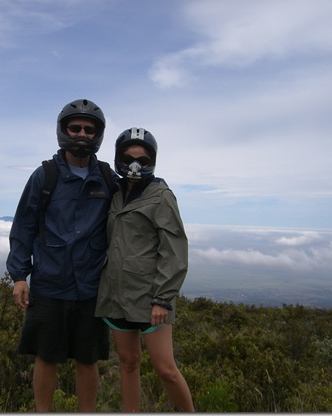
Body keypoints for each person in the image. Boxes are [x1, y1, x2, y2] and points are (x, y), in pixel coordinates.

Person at [6, 98, 117, 412]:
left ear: (98, 135)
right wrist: (18, 276)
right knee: (47, 357)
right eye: (75, 127)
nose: (82, 134)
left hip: (92, 288)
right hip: (50, 284)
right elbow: (24, 227)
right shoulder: (45, 177)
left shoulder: (107, 179)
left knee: (88, 359)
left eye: (89, 129)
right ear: (63, 130)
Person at [95, 127, 194, 412]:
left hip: (150, 298)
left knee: (165, 369)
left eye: (142, 158)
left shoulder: (161, 196)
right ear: (118, 159)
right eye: (127, 158)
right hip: (116, 295)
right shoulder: (114, 194)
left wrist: (162, 298)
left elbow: (174, 249)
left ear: (152, 160)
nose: (134, 165)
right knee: (128, 363)